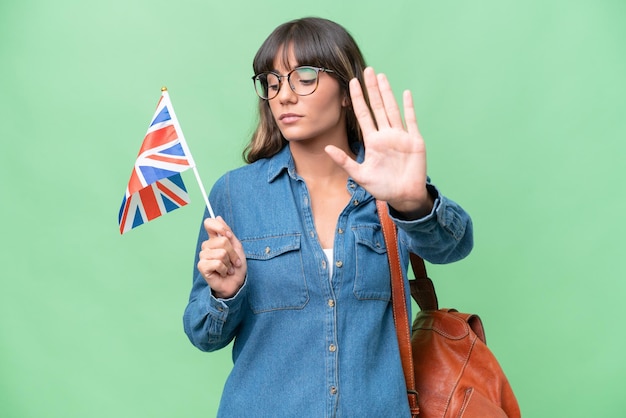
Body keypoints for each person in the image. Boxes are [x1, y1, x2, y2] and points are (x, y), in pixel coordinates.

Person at [183, 17, 473, 417]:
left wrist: (414, 201)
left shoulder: (389, 181)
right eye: (272, 82)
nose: (284, 95)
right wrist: (225, 293)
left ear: (344, 91)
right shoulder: (234, 194)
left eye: (304, 77)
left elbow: (454, 246)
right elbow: (203, 333)